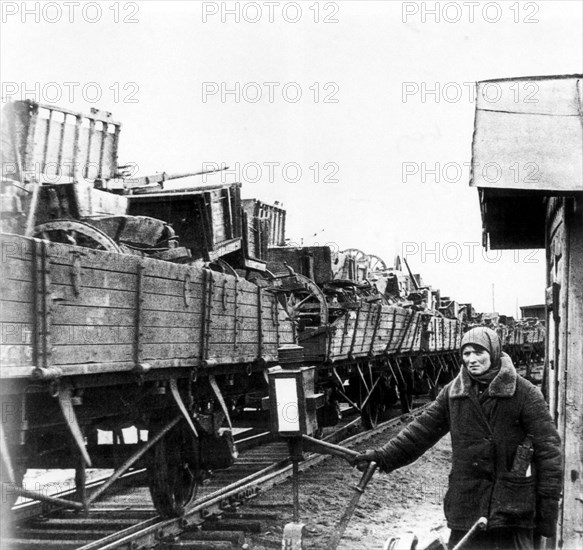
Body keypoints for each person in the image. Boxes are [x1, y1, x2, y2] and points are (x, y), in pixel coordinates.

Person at [353, 327, 562, 550]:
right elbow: (420, 432)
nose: (471, 360)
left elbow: (549, 452)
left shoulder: (524, 393)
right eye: (466, 353)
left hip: (510, 509)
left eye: (478, 352)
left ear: (493, 351)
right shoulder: (454, 393)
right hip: (468, 504)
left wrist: (547, 514)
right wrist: (382, 457)